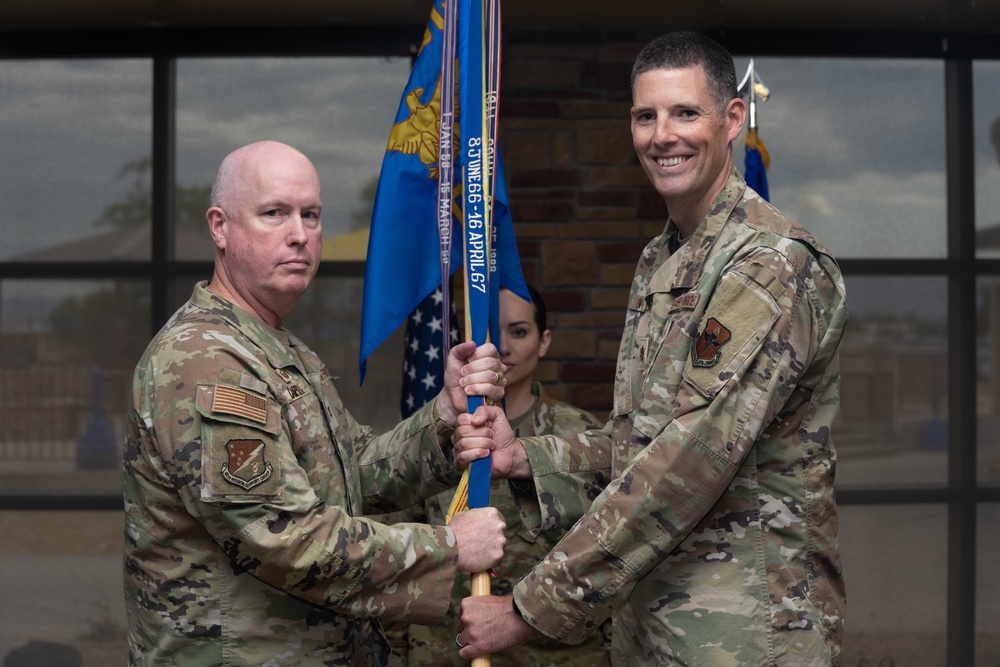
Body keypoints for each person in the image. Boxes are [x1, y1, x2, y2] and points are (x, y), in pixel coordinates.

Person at [453, 31, 849, 666]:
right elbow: (638, 439)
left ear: (732, 120)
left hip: (746, 636)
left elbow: (685, 465)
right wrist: (525, 455)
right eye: (646, 116)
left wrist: (531, 609)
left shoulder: (769, 264)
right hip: (654, 630)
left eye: (685, 112)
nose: (663, 135)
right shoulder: (662, 258)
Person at [123, 140, 509, 667]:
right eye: (274, 213)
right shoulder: (205, 360)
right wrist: (448, 546)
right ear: (220, 226)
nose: (299, 234)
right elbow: (281, 536)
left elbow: (357, 476)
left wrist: (444, 414)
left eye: (311, 215)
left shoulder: (278, 347)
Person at [391, 285, 610, 667]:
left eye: (519, 332)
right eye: (491, 333)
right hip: (443, 652)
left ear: (544, 342)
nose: (502, 348)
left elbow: (605, 552)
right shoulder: (439, 437)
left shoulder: (582, 437)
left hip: (552, 656)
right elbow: (400, 552)